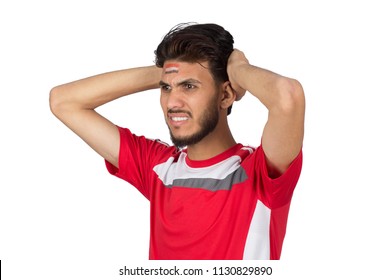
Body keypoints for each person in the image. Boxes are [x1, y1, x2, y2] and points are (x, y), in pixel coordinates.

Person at [49, 23, 305, 260]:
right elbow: (63, 101)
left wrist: (237, 69)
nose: (173, 103)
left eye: (189, 86)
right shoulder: (158, 167)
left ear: (225, 94)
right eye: (166, 88)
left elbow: (287, 96)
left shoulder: (261, 172)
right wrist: (168, 72)